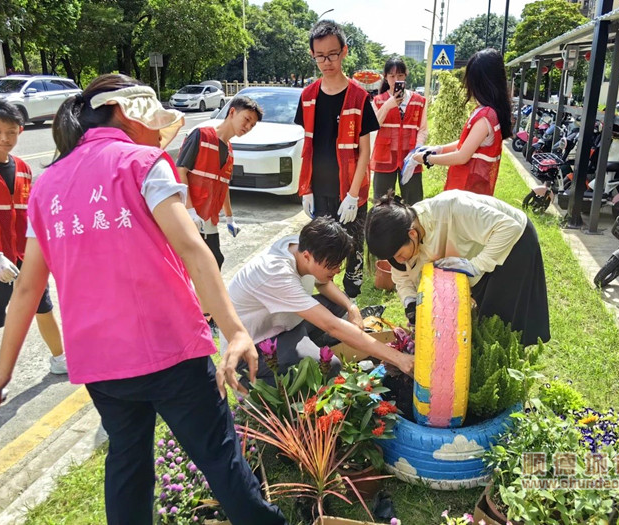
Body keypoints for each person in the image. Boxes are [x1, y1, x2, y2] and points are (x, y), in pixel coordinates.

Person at [0, 75, 287, 525]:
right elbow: (193, 249)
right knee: (220, 461)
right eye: (154, 123)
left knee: (128, 468)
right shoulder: (143, 162)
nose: (158, 134)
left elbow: (28, 290)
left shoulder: (48, 183)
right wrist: (235, 332)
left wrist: (1, 374)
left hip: (101, 364)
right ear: (126, 111)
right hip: (170, 351)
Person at [223, 216, 414, 388]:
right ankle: (254, 383)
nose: (338, 271)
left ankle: (305, 348)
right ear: (307, 256)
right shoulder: (277, 274)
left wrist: (351, 306)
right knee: (329, 366)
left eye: (339, 264)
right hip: (253, 347)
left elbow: (323, 283)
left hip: (282, 325)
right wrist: (399, 358)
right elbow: (332, 326)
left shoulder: (298, 246)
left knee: (339, 304)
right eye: (332, 265)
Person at [365, 190, 550, 346]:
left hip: (513, 244)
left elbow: (510, 228)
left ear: (412, 234)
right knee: (477, 324)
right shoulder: (401, 239)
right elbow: (402, 277)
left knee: (501, 326)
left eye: (398, 255)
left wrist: (476, 266)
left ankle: (510, 372)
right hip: (479, 251)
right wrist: (410, 303)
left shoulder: (451, 209)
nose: (398, 261)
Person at [294, 19, 380, 298]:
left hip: (350, 193)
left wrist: (354, 194)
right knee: (320, 251)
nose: (326, 61)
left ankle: (351, 300)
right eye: (320, 56)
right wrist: (305, 189)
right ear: (312, 56)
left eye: (332, 54)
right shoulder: (307, 96)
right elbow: (307, 145)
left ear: (344, 51)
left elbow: (364, 151)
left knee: (352, 250)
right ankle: (321, 302)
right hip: (319, 191)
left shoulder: (359, 97)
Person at [0, 100, 67, 375]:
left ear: (20, 131)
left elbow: (33, 215)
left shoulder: (23, 167)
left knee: (42, 306)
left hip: (25, 255)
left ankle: (60, 358)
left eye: (11, 132)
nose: (5, 139)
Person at [176, 96, 262, 268]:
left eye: (252, 125)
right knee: (196, 267)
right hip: (189, 219)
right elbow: (180, 172)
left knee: (214, 263)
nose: (248, 127)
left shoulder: (229, 152)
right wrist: (190, 211)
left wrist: (230, 218)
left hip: (209, 221)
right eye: (246, 119)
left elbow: (222, 185)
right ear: (232, 112)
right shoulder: (201, 136)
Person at [412, 48, 512, 196]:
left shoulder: (486, 116)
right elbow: (467, 143)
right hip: (471, 187)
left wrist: (427, 158)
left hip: (468, 191)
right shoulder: (486, 111)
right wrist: (439, 149)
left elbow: (462, 156)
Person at [371, 57, 428, 205]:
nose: (396, 79)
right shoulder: (378, 100)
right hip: (384, 157)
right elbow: (373, 125)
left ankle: (410, 228)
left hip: (410, 157)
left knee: (413, 202)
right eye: (392, 76)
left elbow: (422, 129)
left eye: (400, 76)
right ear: (385, 77)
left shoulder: (419, 101)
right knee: (382, 202)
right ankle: (384, 228)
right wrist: (388, 105)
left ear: (406, 76)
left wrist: (416, 152)